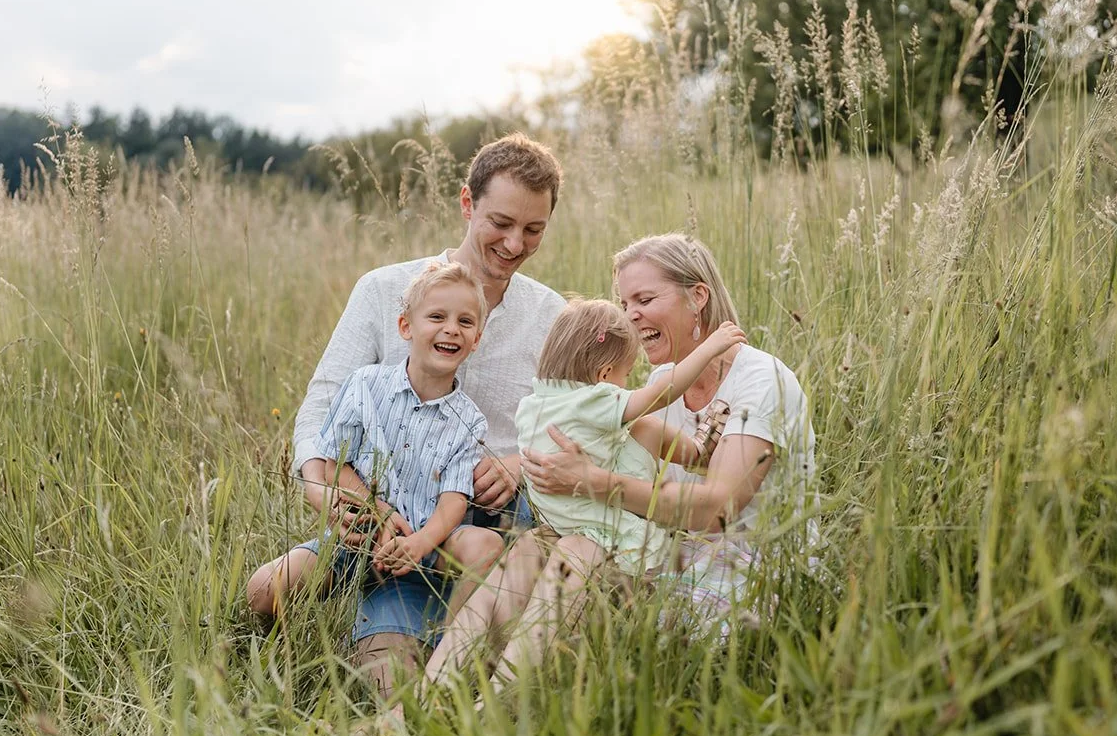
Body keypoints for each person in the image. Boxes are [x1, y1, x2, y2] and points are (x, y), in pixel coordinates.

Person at [423, 233, 816, 688]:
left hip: (745, 567)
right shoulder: (665, 378)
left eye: (644, 299)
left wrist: (591, 481)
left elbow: (719, 510)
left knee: (576, 551)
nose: (631, 315)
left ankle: (500, 702)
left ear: (698, 297)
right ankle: (432, 698)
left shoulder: (760, 380)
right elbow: (620, 439)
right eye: (625, 302)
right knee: (533, 548)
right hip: (666, 553)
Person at [284, 133, 566, 697]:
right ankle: (367, 615)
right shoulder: (385, 289)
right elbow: (320, 412)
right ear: (467, 204)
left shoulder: (552, 315)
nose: (514, 243)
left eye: (533, 229)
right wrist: (342, 498)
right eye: (500, 222)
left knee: (493, 679)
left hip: (498, 526)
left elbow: (580, 431)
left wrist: (516, 462)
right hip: (391, 523)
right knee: (386, 683)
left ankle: (475, 654)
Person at [246, 262, 505, 625]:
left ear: (477, 338)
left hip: (428, 548)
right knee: (262, 589)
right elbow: (336, 465)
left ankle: (449, 635)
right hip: (358, 538)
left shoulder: (469, 419)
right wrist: (379, 510)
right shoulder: (365, 385)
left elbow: (453, 501)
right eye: (436, 317)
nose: (451, 329)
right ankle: (301, 633)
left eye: (465, 322)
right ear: (405, 326)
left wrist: (420, 543)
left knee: (485, 545)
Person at [516, 298, 746, 576]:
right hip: (605, 526)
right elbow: (662, 393)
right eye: (626, 375)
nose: (627, 385)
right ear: (604, 374)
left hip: (560, 518)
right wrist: (709, 348)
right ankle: (696, 452)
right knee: (646, 425)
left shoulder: (534, 402)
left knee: (631, 429)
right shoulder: (593, 400)